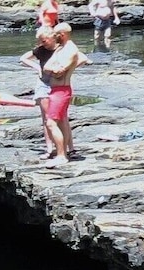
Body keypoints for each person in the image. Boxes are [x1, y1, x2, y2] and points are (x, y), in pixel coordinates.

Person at [39, 23, 90, 167]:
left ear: (63, 34)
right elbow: (47, 67)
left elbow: (59, 71)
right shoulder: (60, 48)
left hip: (62, 90)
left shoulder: (71, 49)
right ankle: (64, 153)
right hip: (55, 90)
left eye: (56, 34)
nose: (54, 37)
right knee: (60, 122)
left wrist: (55, 68)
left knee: (50, 122)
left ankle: (61, 156)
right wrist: (53, 68)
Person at [20, 27, 59, 162]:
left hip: (58, 83)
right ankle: (49, 148)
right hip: (43, 84)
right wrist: (37, 67)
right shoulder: (41, 50)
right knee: (47, 118)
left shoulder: (61, 48)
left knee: (59, 118)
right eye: (40, 41)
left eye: (44, 40)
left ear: (52, 37)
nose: (43, 43)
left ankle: (63, 148)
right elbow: (23, 58)